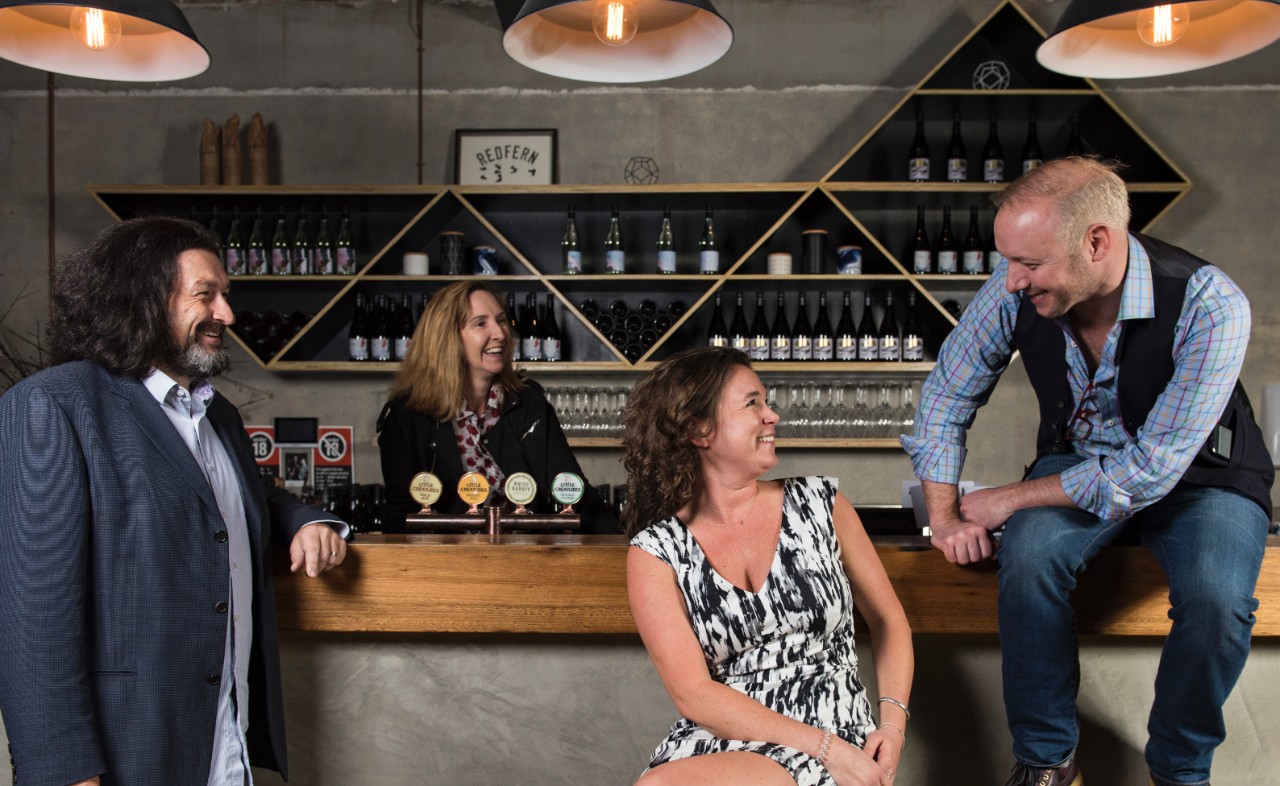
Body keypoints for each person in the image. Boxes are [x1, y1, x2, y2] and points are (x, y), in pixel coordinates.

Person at [902, 157, 1273, 786]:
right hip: (1075, 465)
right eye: (1009, 261)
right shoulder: (1012, 286)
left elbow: (1151, 471)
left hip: (1199, 477)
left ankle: (1180, 770)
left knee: (1219, 599)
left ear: (1096, 241)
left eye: (1029, 263)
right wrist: (943, 515)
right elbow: (945, 399)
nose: (1012, 281)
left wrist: (1006, 500)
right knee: (1030, 558)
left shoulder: (1211, 304)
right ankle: (1048, 762)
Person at [0, 217, 349, 786]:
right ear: (140, 300)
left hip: (220, 746)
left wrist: (304, 522)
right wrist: (65, 774)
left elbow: (235, 501)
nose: (227, 316)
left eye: (225, 297)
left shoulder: (218, 415)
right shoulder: (51, 405)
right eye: (205, 296)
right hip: (124, 752)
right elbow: (34, 623)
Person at [622, 346, 913, 786]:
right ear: (700, 430)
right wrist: (822, 748)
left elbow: (889, 620)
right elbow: (694, 695)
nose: (772, 415)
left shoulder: (820, 503)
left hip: (833, 725)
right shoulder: (656, 550)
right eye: (752, 403)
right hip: (723, 738)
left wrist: (892, 725)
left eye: (767, 401)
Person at [377, 280, 617, 533]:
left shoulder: (529, 404)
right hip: (445, 568)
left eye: (501, 320)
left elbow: (574, 491)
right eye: (481, 323)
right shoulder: (407, 415)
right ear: (447, 338)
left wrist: (621, 548)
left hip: (528, 563)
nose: (501, 333)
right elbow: (398, 520)